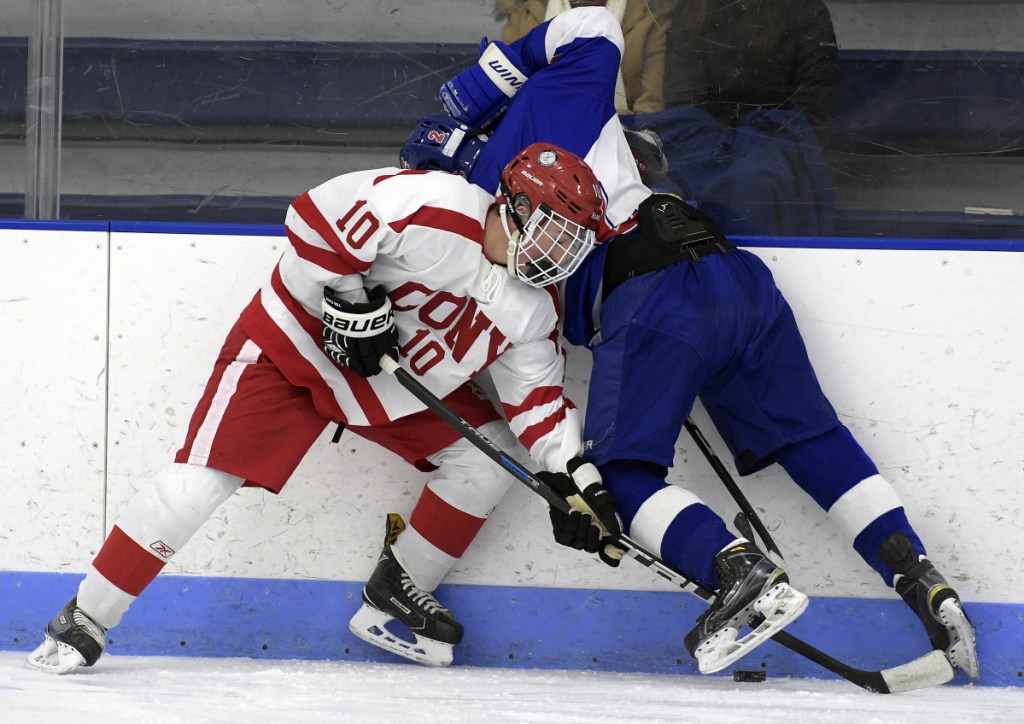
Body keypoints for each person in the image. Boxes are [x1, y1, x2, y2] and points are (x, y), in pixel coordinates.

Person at [410, 4, 979, 678]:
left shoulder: (473, 200)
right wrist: (496, 69)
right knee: (807, 436)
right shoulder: (563, 95)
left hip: (650, 303)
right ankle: (922, 577)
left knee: (621, 474)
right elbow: (592, 24)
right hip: (731, 272)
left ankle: (738, 575)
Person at [26, 141, 625, 674]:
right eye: (555, 230)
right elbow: (313, 215)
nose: (561, 253)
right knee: (199, 483)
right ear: (513, 204)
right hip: (298, 349)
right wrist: (349, 292)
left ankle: (399, 588)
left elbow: (539, 405)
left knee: (489, 461)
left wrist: (575, 483)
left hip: (395, 388)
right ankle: (86, 615)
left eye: (574, 242)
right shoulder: (434, 205)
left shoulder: (534, 308)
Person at [636, 0, 840, 236]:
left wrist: (750, 144)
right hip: (705, 140)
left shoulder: (805, 10)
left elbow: (814, 110)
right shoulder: (695, 8)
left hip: (775, 142)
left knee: (750, 184)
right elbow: (683, 102)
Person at [495, 0, 677, 115]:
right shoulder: (526, 10)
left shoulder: (650, 12)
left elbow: (651, 106)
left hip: (620, 136)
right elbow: (505, 96)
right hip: (538, 136)